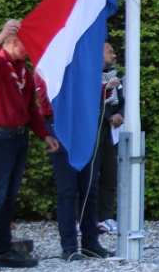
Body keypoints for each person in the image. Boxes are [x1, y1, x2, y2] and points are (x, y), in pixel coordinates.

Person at [0, 19, 60, 272]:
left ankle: (4, 250)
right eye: (27, 45)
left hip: (19, 137)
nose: (31, 50)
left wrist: (45, 135)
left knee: (9, 197)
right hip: (1, 138)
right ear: (13, 42)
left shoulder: (24, 71)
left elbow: (31, 110)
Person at [38, 69, 113, 261]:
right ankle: (69, 246)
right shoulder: (48, 65)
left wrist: (103, 89)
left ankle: (90, 243)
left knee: (89, 187)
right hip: (61, 122)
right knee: (68, 190)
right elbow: (47, 99)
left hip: (83, 123)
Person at [96, 41, 124, 234]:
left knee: (109, 176)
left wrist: (120, 115)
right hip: (95, 132)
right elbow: (88, 102)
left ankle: (106, 217)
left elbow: (126, 100)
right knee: (88, 178)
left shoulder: (120, 80)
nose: (114, 55)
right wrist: (108, 118)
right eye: (110, 52)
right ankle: (82, 217)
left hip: (112, 136)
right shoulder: (91, 77)